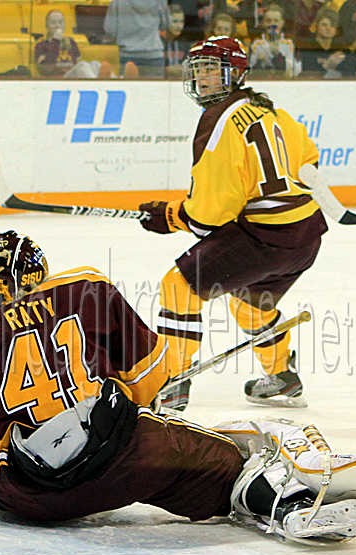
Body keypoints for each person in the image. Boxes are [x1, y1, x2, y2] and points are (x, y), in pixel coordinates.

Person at [0, 231, 356, 543]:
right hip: (131, 456)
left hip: (36, 497)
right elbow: (151, 380)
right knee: (225, 468)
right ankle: (283, 502)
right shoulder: (88, 287)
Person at [137, 37, 325, 411]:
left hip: (265, 237)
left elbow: (210, 215)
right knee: (251, 304)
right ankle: (283, 378)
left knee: (179, 286)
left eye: (211, 69)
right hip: (306, 236)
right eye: (198, 70)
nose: (203, 79)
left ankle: (171, 381)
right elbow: (309, 161)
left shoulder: (219, 120)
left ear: (235, 73)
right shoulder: (271, 111)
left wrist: (171, 215)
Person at [35, 9, 112, 78]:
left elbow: (78, 61)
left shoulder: (71, 42)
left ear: (64, 24)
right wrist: (55, 41)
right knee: (82, 66)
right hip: (58, 79)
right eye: (53, 23)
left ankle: (112, 84)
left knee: (95, 64)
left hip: (73, 75)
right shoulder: (40, 45)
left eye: (60, 22)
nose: (57, 26)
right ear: (46, 26)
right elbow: (45, 69)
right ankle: (96, 85)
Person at [104, 0, 169, 78]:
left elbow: (110, 30)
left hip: (127, 53)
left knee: (129, 88)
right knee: (154, 88)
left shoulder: (118, 2)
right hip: (153, 53)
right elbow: (166, 24)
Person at [248, 4, 301, 76]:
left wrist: (278, 55)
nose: (272, 24)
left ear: (282, 23)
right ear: (263, 23)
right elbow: (249, 71)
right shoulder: (256, 44)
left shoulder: (290, 44)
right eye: (268, 21)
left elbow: (297, 70)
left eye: (276, 21)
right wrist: (259, 61)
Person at [298, 7, 347, 78]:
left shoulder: (341, 47)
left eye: (332, 25)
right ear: (316, 26)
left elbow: (349, 70)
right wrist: (327, 65)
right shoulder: (307, 47)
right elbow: (306, 74)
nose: (328, 29)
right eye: (324, 25)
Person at [163, 4, 192, 78]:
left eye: (181, 22)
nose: (179, 26)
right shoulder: (158, 44)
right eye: (175, 21)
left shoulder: (184, 45)